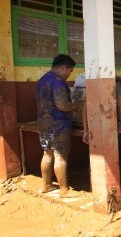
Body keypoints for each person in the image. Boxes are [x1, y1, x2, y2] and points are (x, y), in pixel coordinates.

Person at [36, 54, 76, 197]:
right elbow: (62, 104)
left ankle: (46, 185)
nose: (69, 74)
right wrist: (76, 106)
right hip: (58, 125)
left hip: (44, 125)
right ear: (63, 67)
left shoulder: (42, 80)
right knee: (60, 155)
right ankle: (64, 190)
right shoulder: (58, 82)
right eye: (69, 71)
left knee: (47, 153)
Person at [81, 78, 121, 147]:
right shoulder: (113, 86)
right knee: (107, 151)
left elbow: (85, 109)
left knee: (100, 151)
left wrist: (85, 130)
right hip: (104, 128)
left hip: (100, 127)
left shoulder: (92, 86)